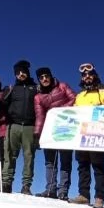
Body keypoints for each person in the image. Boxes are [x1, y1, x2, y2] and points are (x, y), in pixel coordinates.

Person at [69, 63, 104, 208]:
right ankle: (84, 195)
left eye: (89, 74)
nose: (87, 76)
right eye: (84, 75)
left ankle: (99, 196)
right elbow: (74, 112)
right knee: (82, 165)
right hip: (82, 135)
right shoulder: (80, 95)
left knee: (98, 166)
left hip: (97, 134)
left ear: (94, 75)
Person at [0, 60, 38, 194]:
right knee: (10, 155)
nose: (21, 74)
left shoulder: (35, 88)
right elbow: (3, 103)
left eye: (23, 72)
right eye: (18, 73)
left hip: (30, 126)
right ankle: (6, 183)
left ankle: (26, 185)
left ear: (27, 72)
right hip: (13, 125)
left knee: (29, 156)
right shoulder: (11, 88)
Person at [33, 67, 76, 200]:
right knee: (50, 161)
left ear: (51, 76)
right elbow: (40, 115)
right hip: (50, 130)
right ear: (39, 80)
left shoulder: (62, 86)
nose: (45, 79)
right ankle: (50, 189)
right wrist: (37, 133)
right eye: (41, 77)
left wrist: (59, 111)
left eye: (47, 76)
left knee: (65, 160)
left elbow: (74, 98)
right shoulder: (38, 97)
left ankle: (63, 191)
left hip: (67, 127)